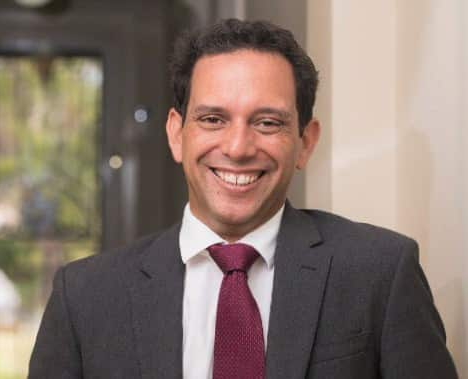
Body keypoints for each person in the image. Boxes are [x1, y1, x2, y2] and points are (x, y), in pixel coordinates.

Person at [29, 19, 458, 379]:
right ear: (177, 134)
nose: (237, 147)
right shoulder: (83, 298)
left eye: (267, 122)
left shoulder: (381, 274)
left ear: (305, 142)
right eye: (213, 119)